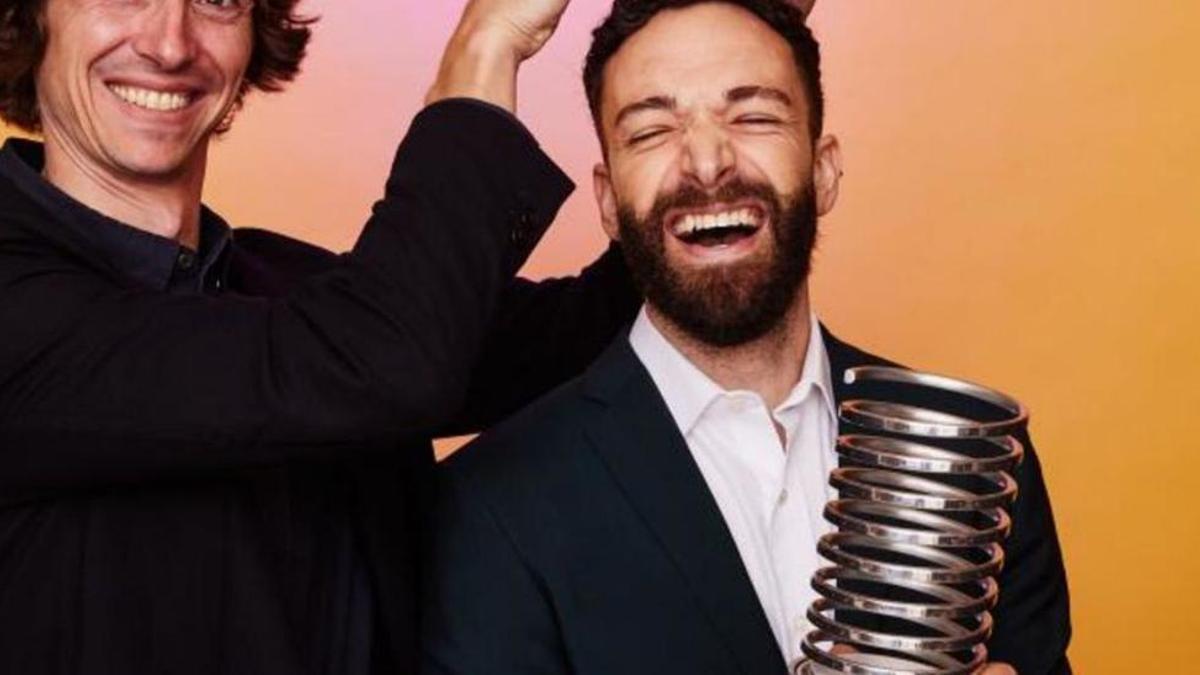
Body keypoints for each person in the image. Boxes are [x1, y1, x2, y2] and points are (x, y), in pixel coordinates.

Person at [421, 1, 1072, 674]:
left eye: (754, 116)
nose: (707, 160)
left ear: (824, 170)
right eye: (650, 130)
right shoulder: (494, 508)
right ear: (609, 200)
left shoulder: (973, 455)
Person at [0, 0, 638, 672]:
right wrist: (483, 50)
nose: (169, 45)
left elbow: (573, 342)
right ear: (30, 15)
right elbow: (380, 359)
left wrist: (698, 169)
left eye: (217, 0)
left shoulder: (286, 287)